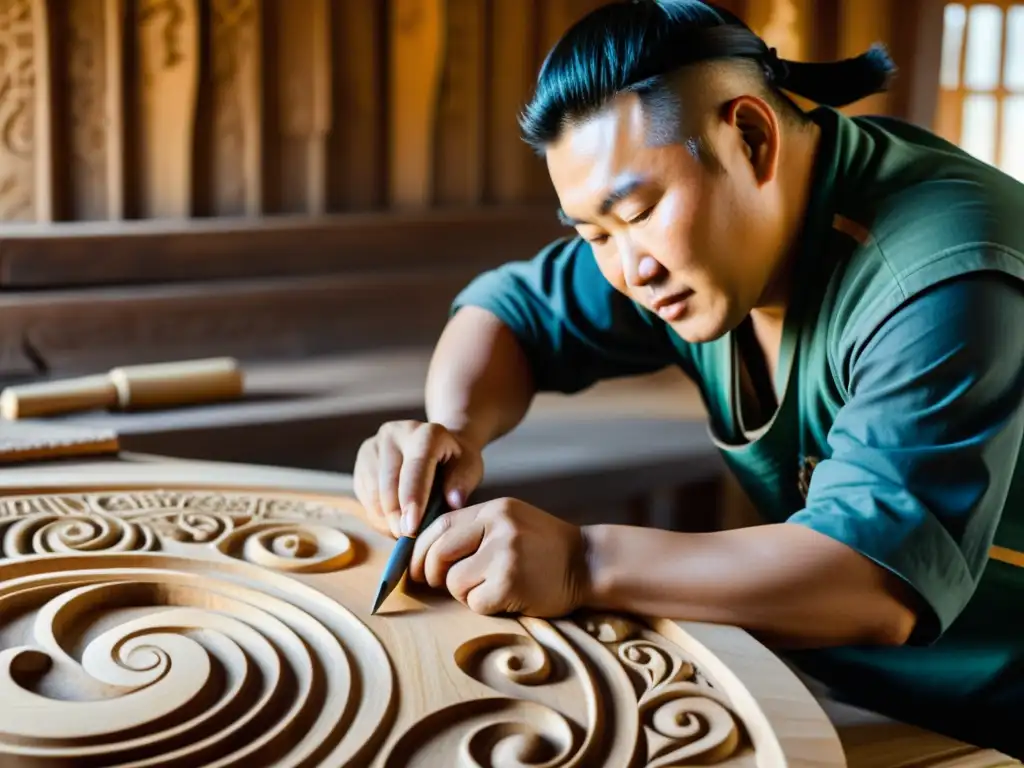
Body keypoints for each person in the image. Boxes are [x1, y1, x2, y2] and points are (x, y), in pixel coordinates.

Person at [354, 0, 1024, 755]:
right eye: (592, 233)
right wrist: (450, 430)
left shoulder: (943, 274)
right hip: (840, 676)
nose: (628, 267)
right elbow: (509, 314)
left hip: (994, 708)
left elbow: (873, 579)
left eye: (636, 212)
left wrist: (583, 562)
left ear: (750, 136)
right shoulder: (686, 240)